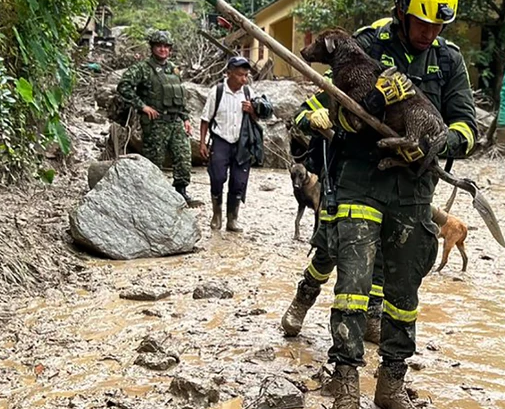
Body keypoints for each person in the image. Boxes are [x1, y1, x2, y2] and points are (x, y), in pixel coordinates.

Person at [318, 0, 477, 409]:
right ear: (403, 10)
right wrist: (371, 102)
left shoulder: (448, 61)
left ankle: (391, 385)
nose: (429, 32)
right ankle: (345, 393)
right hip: (362, 182)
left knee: (404, 295)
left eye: (438, 24)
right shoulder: (366, 45)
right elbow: (338, 118)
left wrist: (441, 142)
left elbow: (469, 126)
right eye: (422, 22)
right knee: (353, 287)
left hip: (413, 192)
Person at [280, 91, 385, 344]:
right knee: (328, 250)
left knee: (380, 256)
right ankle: (302, 300)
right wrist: (313, 118)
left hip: (383, 181)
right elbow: (299, 116)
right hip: (341, 180)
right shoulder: (344, 76)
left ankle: (372, 319)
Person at [117, 29, 200, 206]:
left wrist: (185, 118)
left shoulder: (173, 70)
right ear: (152, 47)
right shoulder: (142, 69)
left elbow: (180, 96)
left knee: (183, 157)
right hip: (155, 123)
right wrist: (142, 106)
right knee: (154, 161)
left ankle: (180, 191)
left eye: (166, 47)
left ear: (170, 49)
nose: (163, 50)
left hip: (175, 121)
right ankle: (152, 195)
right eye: (159, 46)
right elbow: (123, 86)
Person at [198, 56, 273, 232]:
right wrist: (202, 143)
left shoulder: (248, 93)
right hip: (220, 141)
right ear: (229, 73)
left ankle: (232, 219)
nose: (244, 79)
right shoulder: (216, 92)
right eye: (240, 75)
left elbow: (258, 117)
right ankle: (217, 214)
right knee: (217, 178)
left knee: (239, 182)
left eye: (246, 75)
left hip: (242, 143)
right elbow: (205, 119)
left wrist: (252, 110)